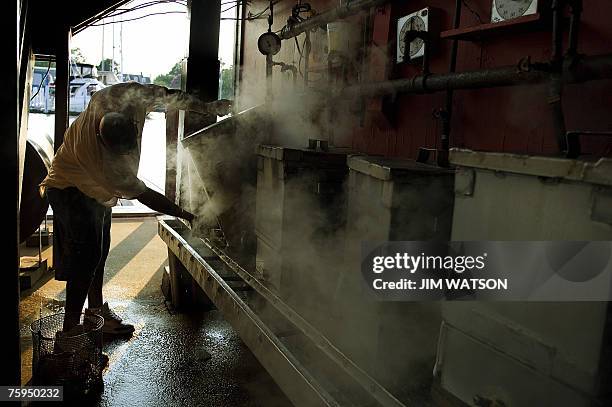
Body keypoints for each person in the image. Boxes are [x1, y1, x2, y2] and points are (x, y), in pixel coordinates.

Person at [41, 82, 231, 338]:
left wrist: (207, 107)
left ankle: (96, 315)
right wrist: (188, 216)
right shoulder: (108, 166)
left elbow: (172, 96)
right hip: (68, 187)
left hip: (95, 191)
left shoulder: (123, 96)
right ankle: (70, 334)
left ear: (134, 123)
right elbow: (147, 196)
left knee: (100, 251)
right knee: (85, 258)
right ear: (103, 143)